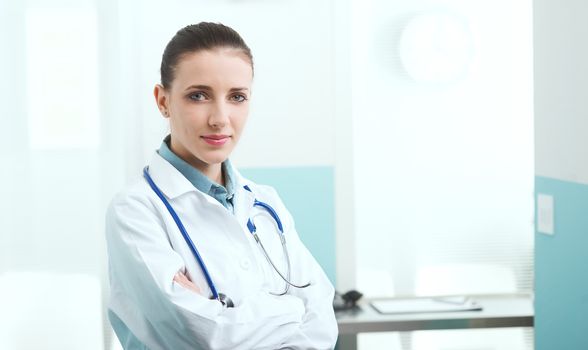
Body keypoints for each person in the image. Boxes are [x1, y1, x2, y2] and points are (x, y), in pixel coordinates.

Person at [105, 22, 338, 349]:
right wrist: (293, 309)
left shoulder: (264, 202)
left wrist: (230, 316)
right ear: (163, 101)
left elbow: (323, 322)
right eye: (198, 96)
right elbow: (204, 336)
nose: (220, 118)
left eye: (237, 97)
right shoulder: (135, 210)